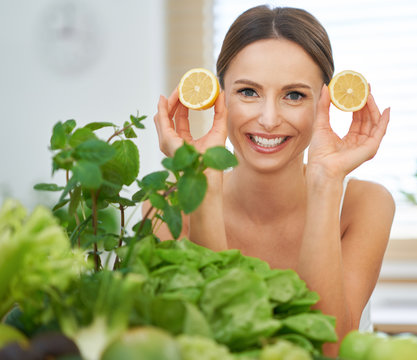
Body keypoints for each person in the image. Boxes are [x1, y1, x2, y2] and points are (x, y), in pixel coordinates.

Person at [149, 5, 394, 357]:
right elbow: (214, 345)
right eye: (248, 92)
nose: (268, 118)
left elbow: (330, 349)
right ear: (220, 98)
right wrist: (200, 181)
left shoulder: (365, 205)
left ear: (323, 103)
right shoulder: (166, 205)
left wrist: (326, 180)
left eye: (294, 95)